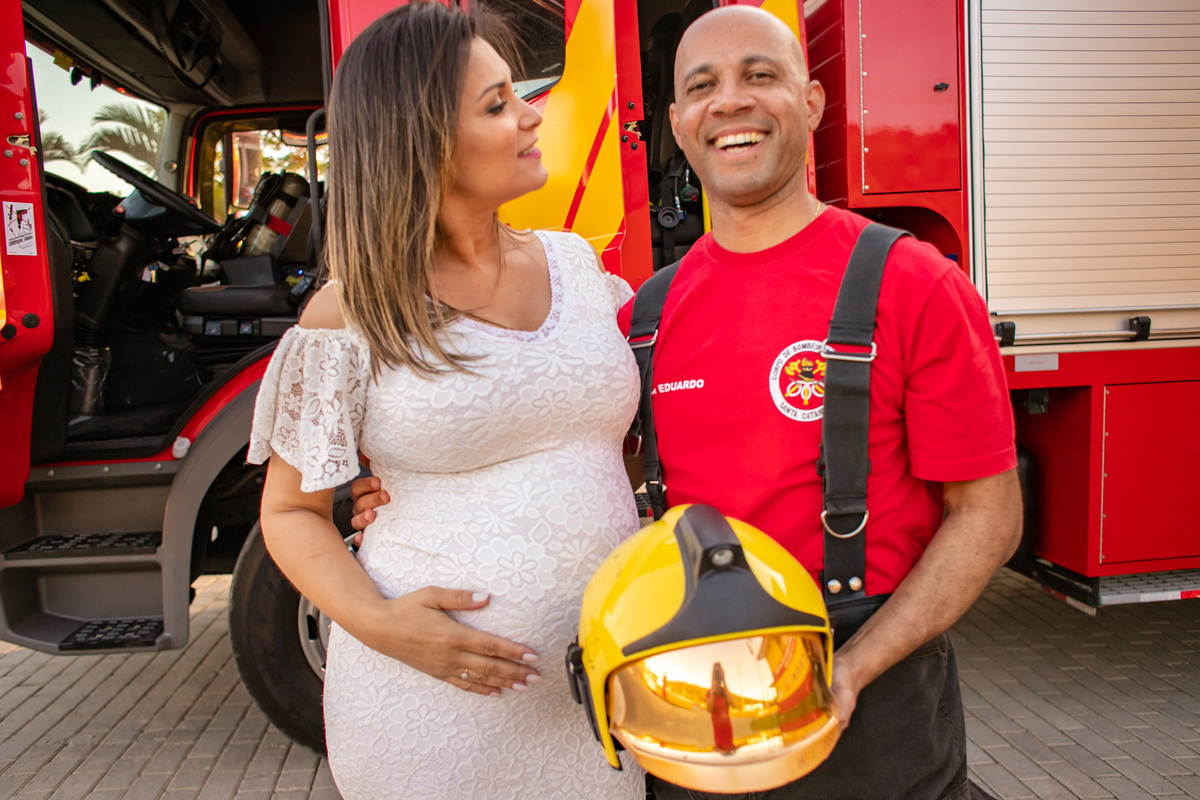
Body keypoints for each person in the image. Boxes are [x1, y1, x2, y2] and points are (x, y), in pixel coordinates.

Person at [353, 5, 1023, 799]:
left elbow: (988, 516)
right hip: (684, 695)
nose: (730, 101)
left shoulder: (912, 283)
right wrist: (403, 493)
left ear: (812, 103)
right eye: (703, 86)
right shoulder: (646, 314)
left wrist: (852, 669)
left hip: (867, 694)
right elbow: (562, 448)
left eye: (760, 76)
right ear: (676, 123)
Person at [248, 4, 645, 798]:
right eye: (497, 104)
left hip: (599, 699)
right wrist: (382, 625)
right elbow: (289, 512)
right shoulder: (347, 315)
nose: (532, 115)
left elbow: (606, 449)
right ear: (419, 139)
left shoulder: (577, 267)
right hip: (432, 714)